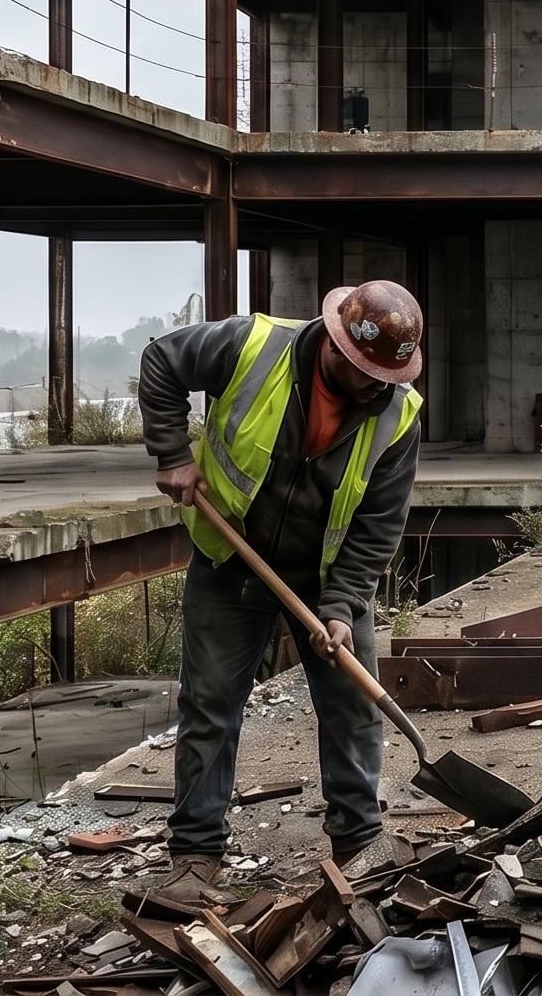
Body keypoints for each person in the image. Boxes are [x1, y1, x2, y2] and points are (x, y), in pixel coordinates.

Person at [135, 280, 426, 906]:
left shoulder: (397, 415)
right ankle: (194, 856)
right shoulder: (254, 347)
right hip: (230, 560)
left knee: (352, 707)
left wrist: (342, 606)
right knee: (210, 706)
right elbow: (162, 360)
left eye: (390, 375)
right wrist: (171, 452)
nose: (382, 385)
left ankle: (358, 841)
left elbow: (379, 527)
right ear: (338, 351)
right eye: (370, 373)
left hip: (325, 574)